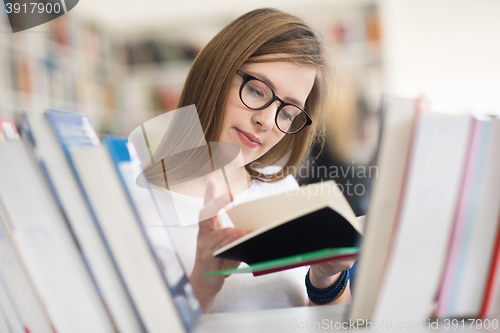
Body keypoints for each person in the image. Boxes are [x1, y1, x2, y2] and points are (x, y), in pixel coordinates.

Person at [146, 7, 355, 314]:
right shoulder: (138, 204)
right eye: (257, 90)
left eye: (288, 112)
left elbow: (333, 323)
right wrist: (202, 285)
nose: (268, 121)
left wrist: (326, 278)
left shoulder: (282, 186)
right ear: (215, 73)